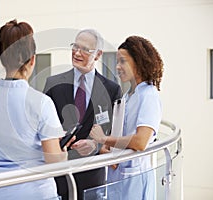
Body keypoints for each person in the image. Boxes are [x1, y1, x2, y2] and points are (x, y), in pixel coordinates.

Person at [0, 19, 68, 200]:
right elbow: (53, 161)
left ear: (2, 58)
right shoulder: (42, 103)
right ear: (32, 60)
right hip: (38, 194)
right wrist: (63, 154)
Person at [43, 29, 122, 200]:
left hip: (92, 177)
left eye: (85, 49)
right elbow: (43, 129)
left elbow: (114, 134)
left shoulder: (112, 90)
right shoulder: (53, 84)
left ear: (98, 54)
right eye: (75, 47)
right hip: (60, 174)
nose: (77, 53)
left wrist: (96, 146)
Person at [90, 35, 164, 200]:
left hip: (135, 177)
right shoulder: (128, 96)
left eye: (123, 61)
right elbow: (123, 134)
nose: (117, 67)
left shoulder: (148, 95)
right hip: (119, 175)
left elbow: (140, 141)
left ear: (138, 62)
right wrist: (107, 151)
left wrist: (104, 139)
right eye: (117, 61)